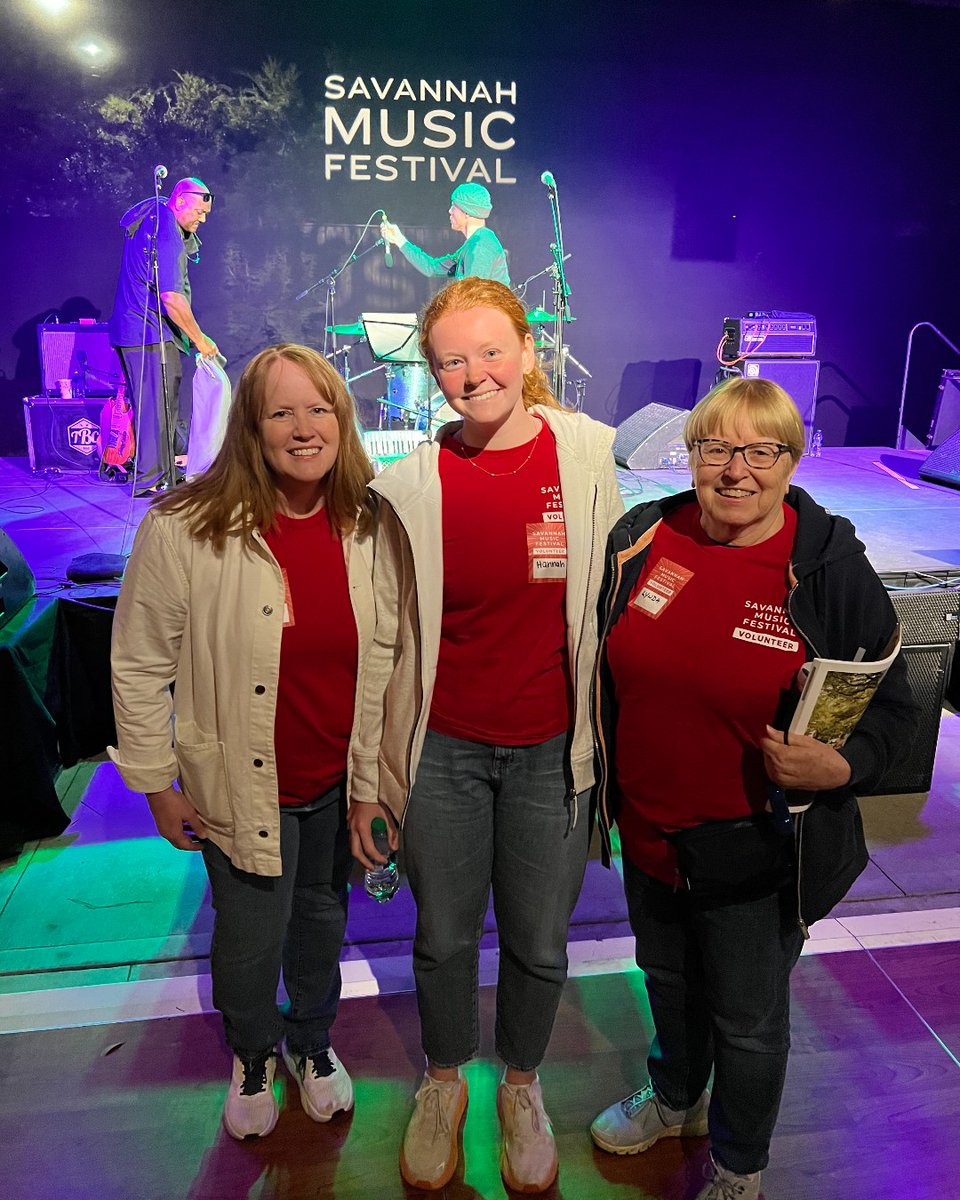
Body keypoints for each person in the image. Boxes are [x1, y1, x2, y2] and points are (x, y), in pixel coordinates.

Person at [589, 376, 918, 1200]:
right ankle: (676, 1099)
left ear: (790, 460)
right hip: (652, 831)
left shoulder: (829, 569)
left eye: (760, 451)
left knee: (746, 1016)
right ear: (689, 454)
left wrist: (840, 768)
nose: (736, 470)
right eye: (716, 449)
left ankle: (740, 1163)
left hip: (757, 845)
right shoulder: (644, 535)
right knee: (664, 980)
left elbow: (896, 708)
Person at [349, 277, 623, 1193]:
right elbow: (385, 636)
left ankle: (520, 1085)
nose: (475, 374)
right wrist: (367, 774)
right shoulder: (413, 483)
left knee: (542, 943)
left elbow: (608, 609)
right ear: (432, 375)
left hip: (554, 750)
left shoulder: (587, 457)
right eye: (452, 361)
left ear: (529, 351)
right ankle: (441, 1083)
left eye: (491, 351)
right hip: (444, 754)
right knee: (442, 939)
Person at [109, 344, 376, 1140]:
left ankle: (313, 1043)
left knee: (322, 923)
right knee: (251, 938)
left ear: (343, 419)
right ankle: (254, 1051)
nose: (304, 429)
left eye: (319, 409)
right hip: (238, 785)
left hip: (336, 781)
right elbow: (137, 662)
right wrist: (157, 780)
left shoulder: (365, 521)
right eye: (281, 412)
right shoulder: (186, 526)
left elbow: (389, 653)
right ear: (250, 428)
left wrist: (377, 780)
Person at [108, 176, 220, 495]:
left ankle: (164, 474)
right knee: (158, 408)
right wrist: (200, 339)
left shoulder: (153, 218)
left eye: (206, 214)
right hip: (147, 330)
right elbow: (171, 296)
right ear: (181, 201)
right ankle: (151, 481)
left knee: (158, 405)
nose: (203, 219)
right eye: (199, 211)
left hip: (135, 329)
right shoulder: (166, 228)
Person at [380, 183, 510, 285]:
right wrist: (399, 239)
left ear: (467, 212)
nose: (450, 211)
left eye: (454, 205)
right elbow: (431, 268)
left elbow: (475, 299)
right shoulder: (473, 244)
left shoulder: (481, 246)